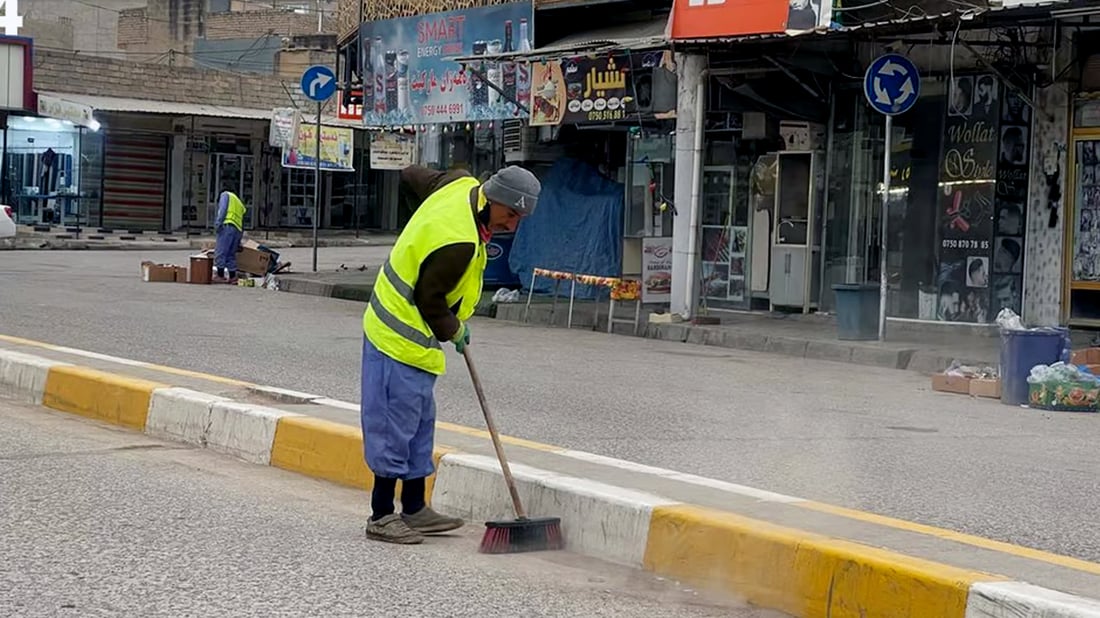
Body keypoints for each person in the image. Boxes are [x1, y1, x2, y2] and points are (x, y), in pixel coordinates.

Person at [360, 164, 542, 545]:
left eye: (520, 218)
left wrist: (416, 228)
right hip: (396, 330)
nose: (513, 225)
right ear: (493, 200)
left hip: (418, 339)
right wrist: (455, 329)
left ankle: (414, 509)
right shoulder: (457, 241)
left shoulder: (458, 182)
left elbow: (410, 174)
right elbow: (430, 299)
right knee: (395, 428)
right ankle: (381, 515)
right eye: (511, 214)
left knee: (419, 424)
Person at [213, 187, 247, 284]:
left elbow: (222, 210)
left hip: (227, 227)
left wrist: (218, 224)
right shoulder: (239, 203)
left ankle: (220, 276)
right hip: (237, 230)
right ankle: (233, 277)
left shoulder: (225, 195)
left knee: (221, 251)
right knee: (231, 255)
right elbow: (242, 220)